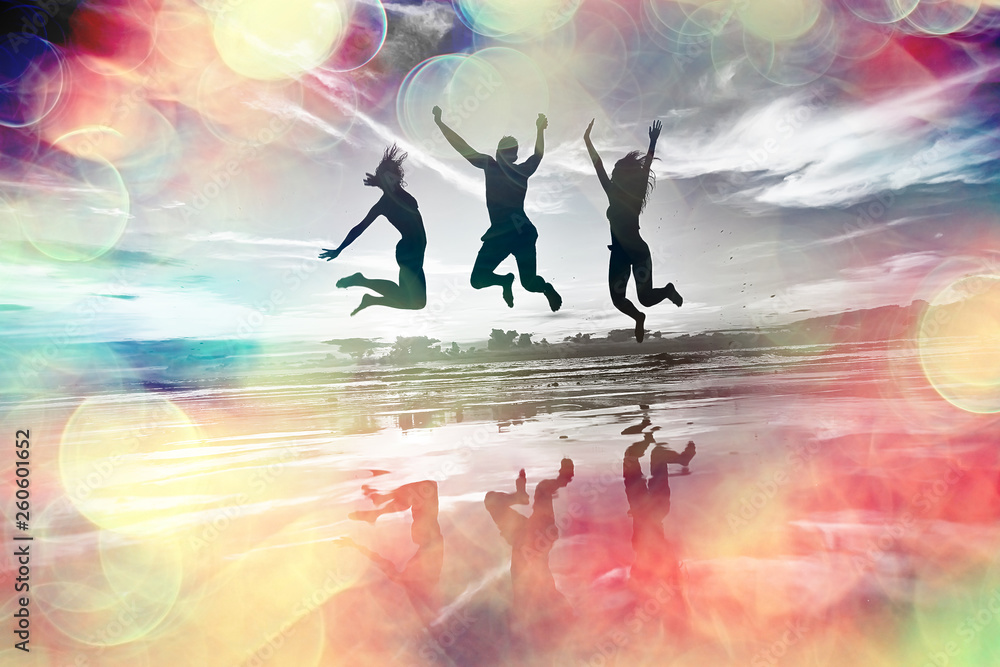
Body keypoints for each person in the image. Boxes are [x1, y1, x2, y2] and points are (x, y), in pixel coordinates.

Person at [433, 106, 562, 312]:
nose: (502, 155)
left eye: (507, 152)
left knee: (528, 283)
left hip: (517, 233)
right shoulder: (498, 167)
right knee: (478, 280)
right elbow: (463, 148)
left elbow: (538, 155)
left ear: (511, 156)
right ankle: (506, 281)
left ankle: (544, 288)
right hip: (509, 233)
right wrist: (440, 124)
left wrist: (540, 131)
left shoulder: (510, 170)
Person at [584, 119, 683, 342]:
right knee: (617, 300)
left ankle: (667, 290)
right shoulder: (610, 191)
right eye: (614, 171)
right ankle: (639, 318)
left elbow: (646, 167)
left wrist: (652, 142)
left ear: (624, 175)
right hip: (619, 254)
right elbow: (597, 165)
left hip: (638, 253)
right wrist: (587, 140)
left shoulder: (635, 196)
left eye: (617, 171)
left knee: (646, 297)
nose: (612, 173)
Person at [319, 145, 427, 316]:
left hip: (417, 249)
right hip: (409, 251)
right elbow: (359, 228)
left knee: (418, 303)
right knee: (409, 298)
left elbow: (398, 196)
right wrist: (339, 249)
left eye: (394, 176)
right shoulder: (383, 204)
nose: (392, 180)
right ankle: (362, 282)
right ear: (383, 180)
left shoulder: (401, 194)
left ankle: (371, 298)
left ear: (398, 177)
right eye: (387, 177)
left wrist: (381, 182)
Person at [484, 459, 575, 651]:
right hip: (536, 538)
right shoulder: (545, 599)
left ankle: (519, 496)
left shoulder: (527, 602)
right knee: (542, 489)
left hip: (523, 538)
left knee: (492, 499)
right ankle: (524, 495)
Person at [338, 480, 443, 623]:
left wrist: (356, 546)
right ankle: (378, 508)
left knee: (426, 488)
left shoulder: (412, 583)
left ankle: (378, 508)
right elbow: (383, 563)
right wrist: (356, 546)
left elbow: (383, 563)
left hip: (428, 535)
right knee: (423, 490)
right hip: (428, 536)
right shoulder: (414, 583)